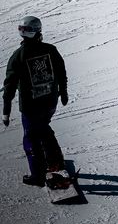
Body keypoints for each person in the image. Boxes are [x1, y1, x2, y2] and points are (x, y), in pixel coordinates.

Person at [2, 16, 68, 187]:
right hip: (49, 102)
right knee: (44, 130)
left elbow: (9, 86)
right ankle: (55, 163)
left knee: (31, 139)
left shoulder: (18, 56)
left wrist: (6, 111)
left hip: (31, 107)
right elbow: (61, 72)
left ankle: (37, 175)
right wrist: (63, 92)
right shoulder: (50, 50)